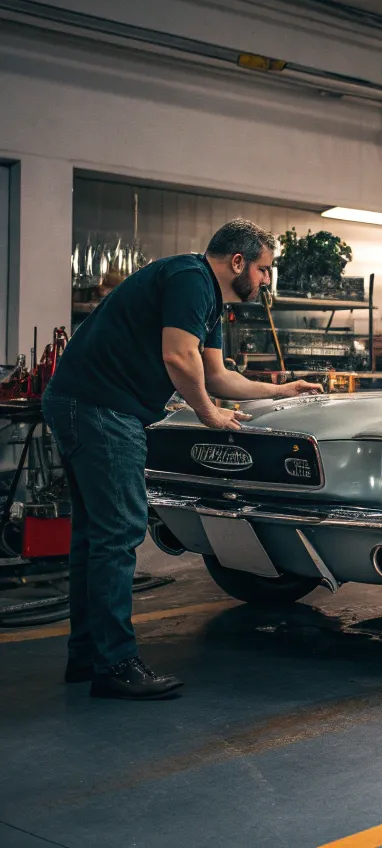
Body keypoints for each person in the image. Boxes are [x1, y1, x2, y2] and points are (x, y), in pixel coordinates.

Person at [42, 219, 322, 701]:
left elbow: (215, 374)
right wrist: (208, 416)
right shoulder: (191, 280)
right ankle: (115, 665)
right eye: (263, 270)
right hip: (100, 409)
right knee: (119, 533)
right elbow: (178, 359)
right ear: (237, 262)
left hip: (83, 403)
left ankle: (89, 656)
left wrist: (280, 388)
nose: (265, 281)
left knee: (95, 535)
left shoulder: (208, 299)